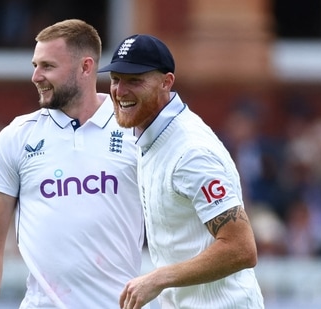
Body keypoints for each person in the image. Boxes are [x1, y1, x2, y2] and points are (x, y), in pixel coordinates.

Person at [0, 19, 147, 309]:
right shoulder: (16, 137)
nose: (36, 76)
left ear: (86, 67)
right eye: (35, 65)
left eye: (48, 66)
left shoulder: (136, 131)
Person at [98, 34, 265, 309]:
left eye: (134, 80)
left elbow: (241, 249)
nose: (120, 91)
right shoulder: (147, 133)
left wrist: (158, 278)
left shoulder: (191, 152)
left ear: (166, 82)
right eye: (116, 79)